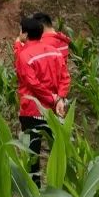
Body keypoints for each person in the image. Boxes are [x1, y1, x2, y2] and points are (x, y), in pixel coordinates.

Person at [14, 16, 70, 185]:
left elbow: (33, 84)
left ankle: (34, 188)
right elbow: (65, 77)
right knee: (57, 151)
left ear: (25, 33)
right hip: (54, 111)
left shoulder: (24, 56)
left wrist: (52, 99)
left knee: (32, 153)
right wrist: (60, 98)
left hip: (32, 111)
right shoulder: (54, 51)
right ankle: (58, 185)